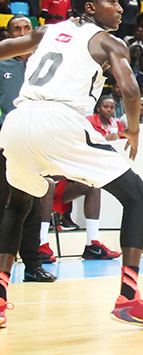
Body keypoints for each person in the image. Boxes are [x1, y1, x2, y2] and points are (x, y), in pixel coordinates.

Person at [0, 0, 143, 328]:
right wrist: (133, 128)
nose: (121, 8)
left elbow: (5, 47)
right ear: (90, 8)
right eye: (113, 1)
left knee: (18, 204)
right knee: (138, 195)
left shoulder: (47, 30)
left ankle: (0, 299)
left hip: (18, 121)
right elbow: (131, 90)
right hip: (58, 120)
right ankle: (128, 297)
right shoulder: (107, 41)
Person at [0, 15, 55, 283]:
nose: (22, 33)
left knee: (34, 204)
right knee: (5, 204)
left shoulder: (45, 65)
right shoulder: (1, 65)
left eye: (26, 29)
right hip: (6, 142)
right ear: (9, 35)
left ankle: (32, 265)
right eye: (16, 30)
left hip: (37, 142)